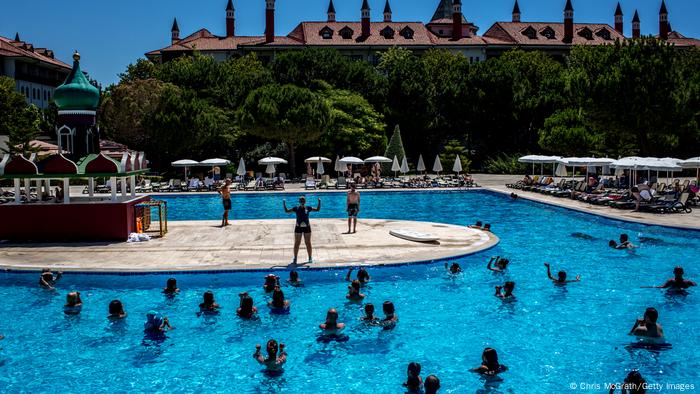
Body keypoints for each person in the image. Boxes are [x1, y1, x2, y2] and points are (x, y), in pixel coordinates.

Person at [283, 196, 321, 264]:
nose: (302, 202)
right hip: (298, 227)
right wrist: (284, 203)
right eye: (301, 201)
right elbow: (286, 211)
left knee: (308, 243)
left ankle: (310, 258)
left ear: (305, 202)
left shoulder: (308, 208)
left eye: (303, 201)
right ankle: (295, 258)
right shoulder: (296, 208)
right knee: (297, 243)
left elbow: (318, 209)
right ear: (299, 202)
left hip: (307, 227)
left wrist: (319, 202)